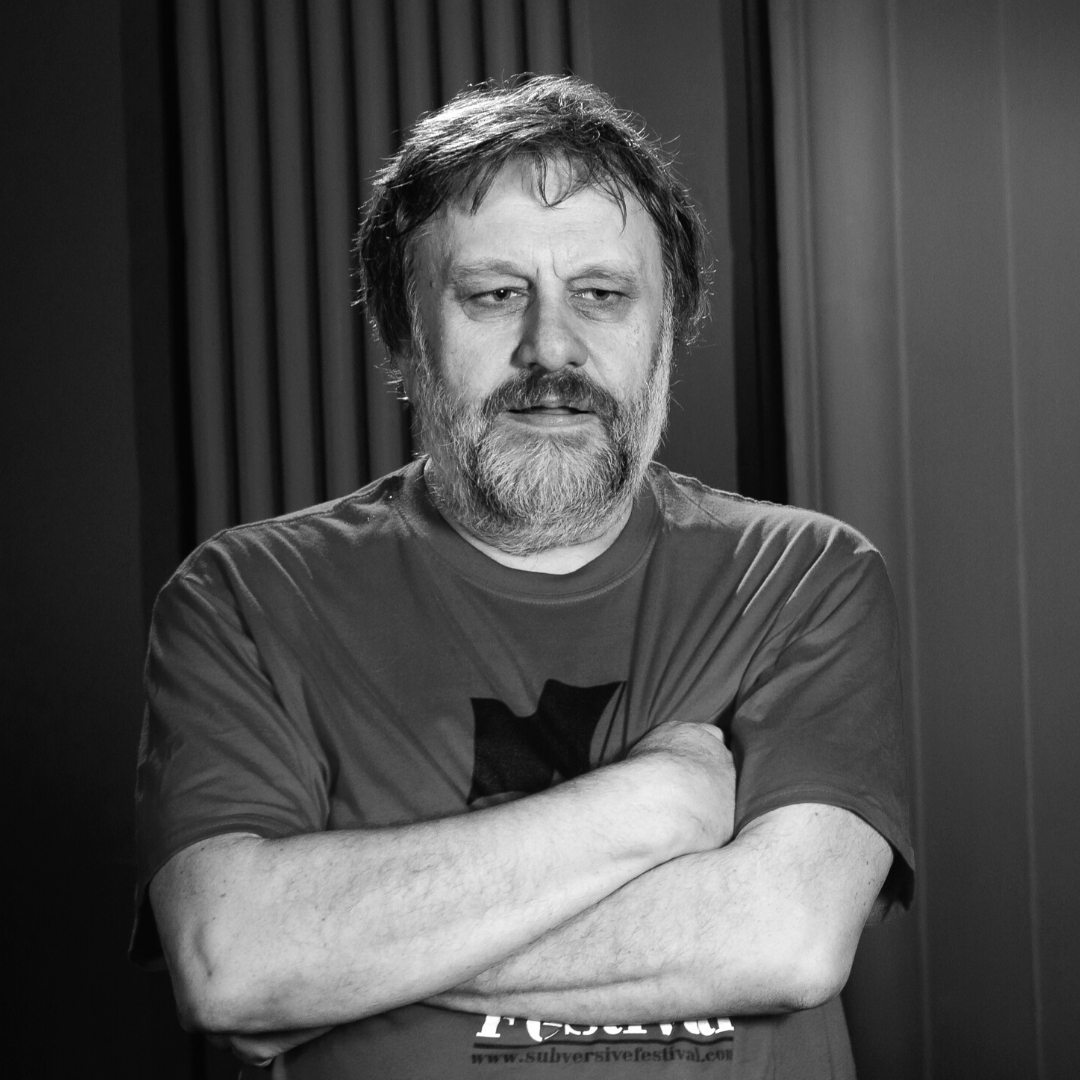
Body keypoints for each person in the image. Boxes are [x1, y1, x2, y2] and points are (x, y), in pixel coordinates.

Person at [132, 76, 913, 1079]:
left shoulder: (804, 577)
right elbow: (234, 960)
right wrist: (654, 806)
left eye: (602, 295)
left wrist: (341, 953)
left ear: (667, 330)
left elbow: (785, 939)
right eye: (495, 294)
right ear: (404, 336)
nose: (552, 347)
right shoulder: (246, 596)